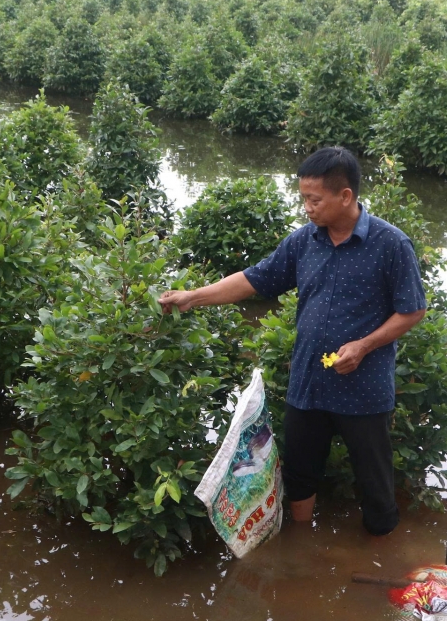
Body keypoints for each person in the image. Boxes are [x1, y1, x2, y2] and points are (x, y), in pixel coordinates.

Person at [159, 147, 427, 534]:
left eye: (314, 199)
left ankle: (381, 551)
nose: (307, 207)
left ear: (345, 196)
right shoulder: (305, 241)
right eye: (303, 198)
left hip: (363, 389)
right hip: (309, 383)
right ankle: (301, 548)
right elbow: (255, 279)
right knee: (300, 473)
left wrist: (364, 345)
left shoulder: (391, 244)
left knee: (375, 480)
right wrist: (193, 297)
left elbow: (412, 310)